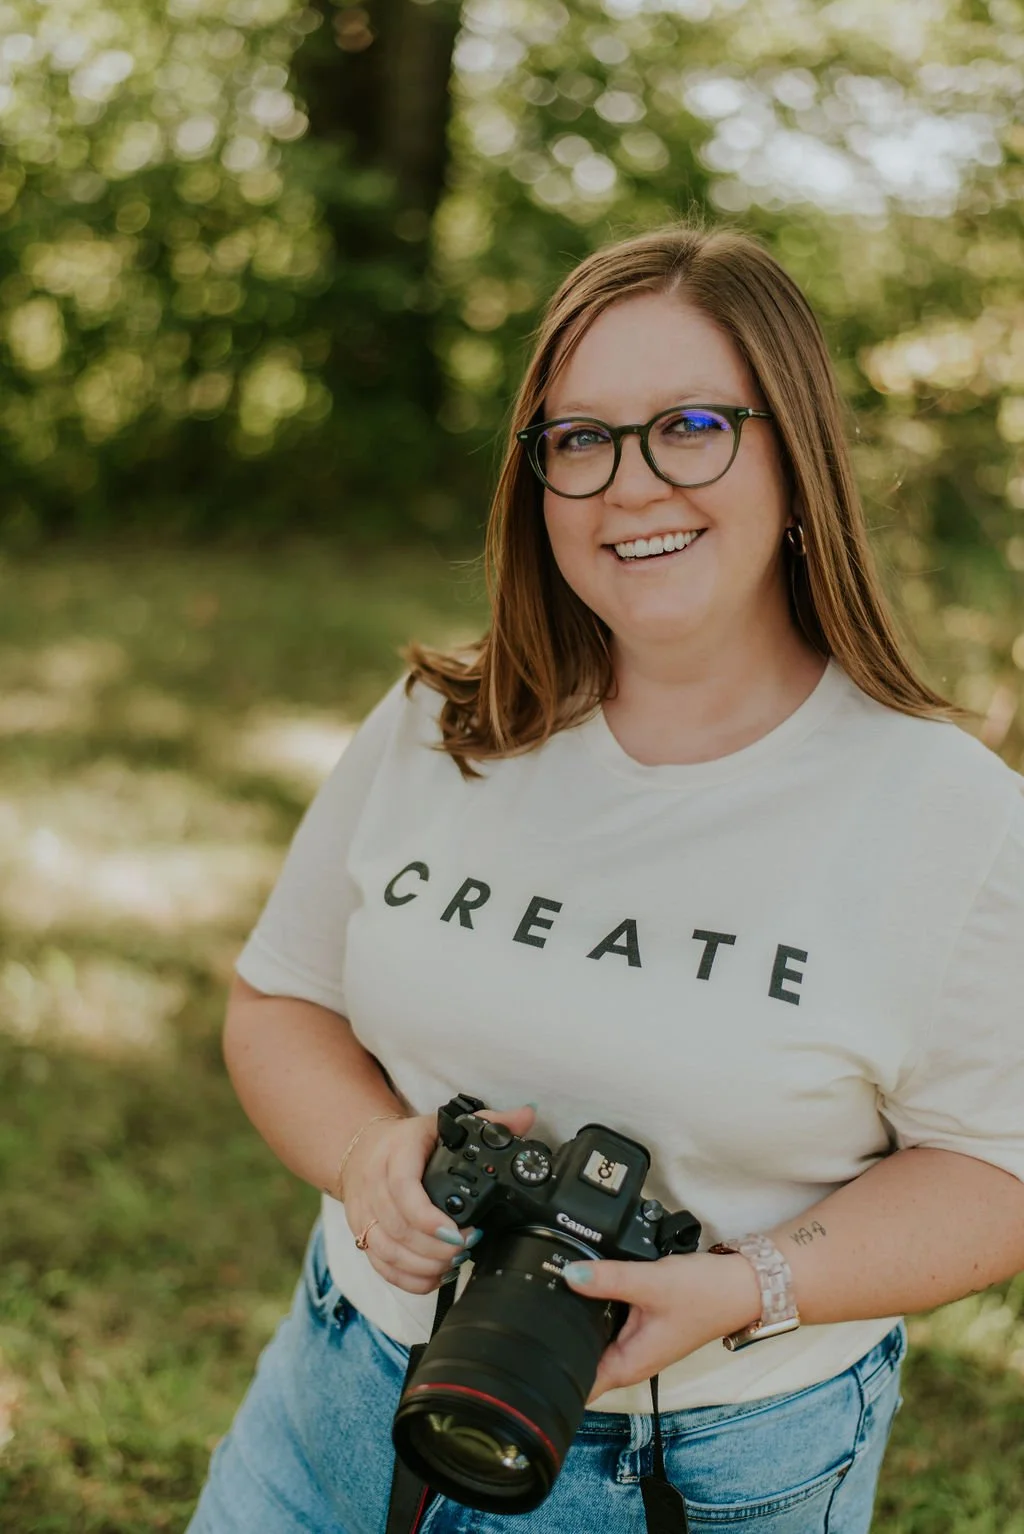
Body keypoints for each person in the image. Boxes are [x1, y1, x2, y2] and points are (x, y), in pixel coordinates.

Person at [186, 223, 1024, 1534]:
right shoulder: (443, 721)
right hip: (338, 1390)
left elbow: (998, 1168)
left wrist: (750, 1282)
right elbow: (280, 1000)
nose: (629, 485)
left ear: (797, 455)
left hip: (696, 1463)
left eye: (689, 425)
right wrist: (365, 1157)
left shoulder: (952, 816)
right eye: (579, 439)